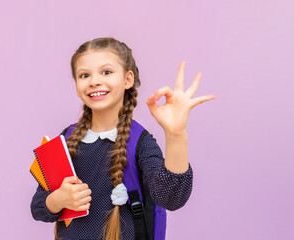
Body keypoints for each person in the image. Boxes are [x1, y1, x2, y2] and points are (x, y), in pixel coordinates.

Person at [30, 37, 216, 240]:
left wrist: (176, 134)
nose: (94, 81)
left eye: (107, 72)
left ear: (128, 79)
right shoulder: (66, 138)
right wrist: (57, 200)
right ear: (76, 85)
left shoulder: (140, 141)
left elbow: (171, 198)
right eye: (84, 75)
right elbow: (38, 206)